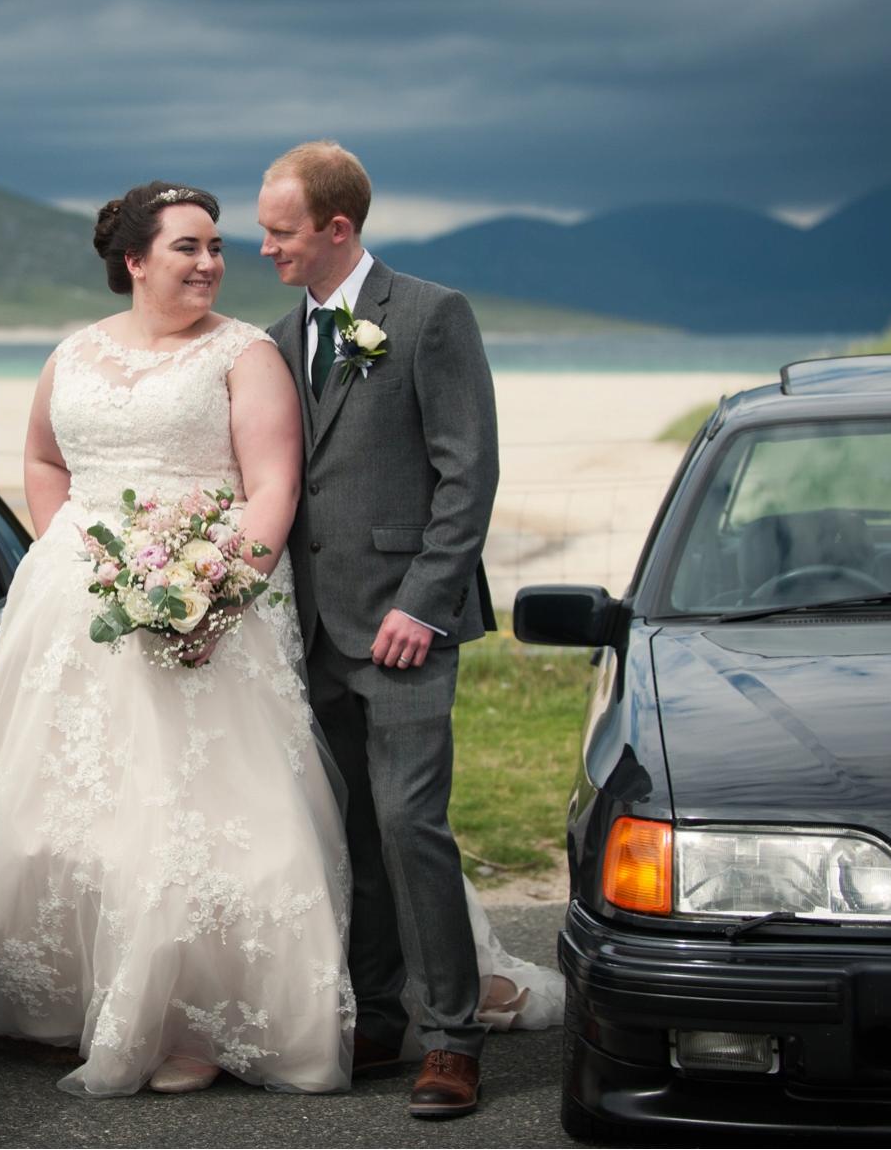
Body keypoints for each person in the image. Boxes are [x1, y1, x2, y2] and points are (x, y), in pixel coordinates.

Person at [0, 181, 356, 1096]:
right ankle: (81, 1002)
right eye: (189, 247)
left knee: (200, 814)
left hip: (207, 600)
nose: (211, 262)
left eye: (216, 246)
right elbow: (46, 461)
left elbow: (273, 489)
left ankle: (196, 1016)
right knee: (67, 806)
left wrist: (213, 593)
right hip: (77, 608)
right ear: (134, 261)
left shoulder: (245, 355)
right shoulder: (73, 355)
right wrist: (74, 552)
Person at [259, 141, 558, 1120]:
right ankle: (379, 1015)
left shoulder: (430, 317)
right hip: (308, 629)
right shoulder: (272, 338)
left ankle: (455, 1038)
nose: (264, 247)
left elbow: (469, 474)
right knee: (350, 831)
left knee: (408, 821)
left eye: (281, 231)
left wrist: (421, 603)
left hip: (404, 626)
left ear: (338, 228)